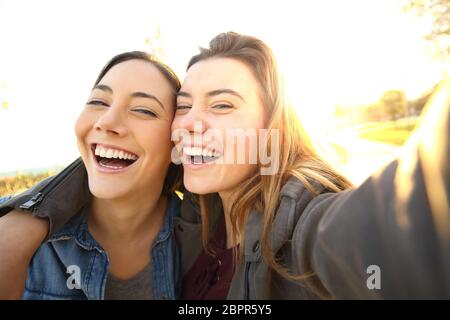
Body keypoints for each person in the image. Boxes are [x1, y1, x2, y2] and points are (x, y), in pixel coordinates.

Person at [2, 32, 450, 299]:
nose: (192, 122)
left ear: (271, 127)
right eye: (184, 105)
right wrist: (28, 218)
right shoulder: (197, 220)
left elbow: (396, 226)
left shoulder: (301, 225)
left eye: (222, 105)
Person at [0, 51, 183, 299]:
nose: (106, 122)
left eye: (143, 110)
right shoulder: (10, 222)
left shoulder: (205, 239)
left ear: (177, 140)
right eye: (98, 102)